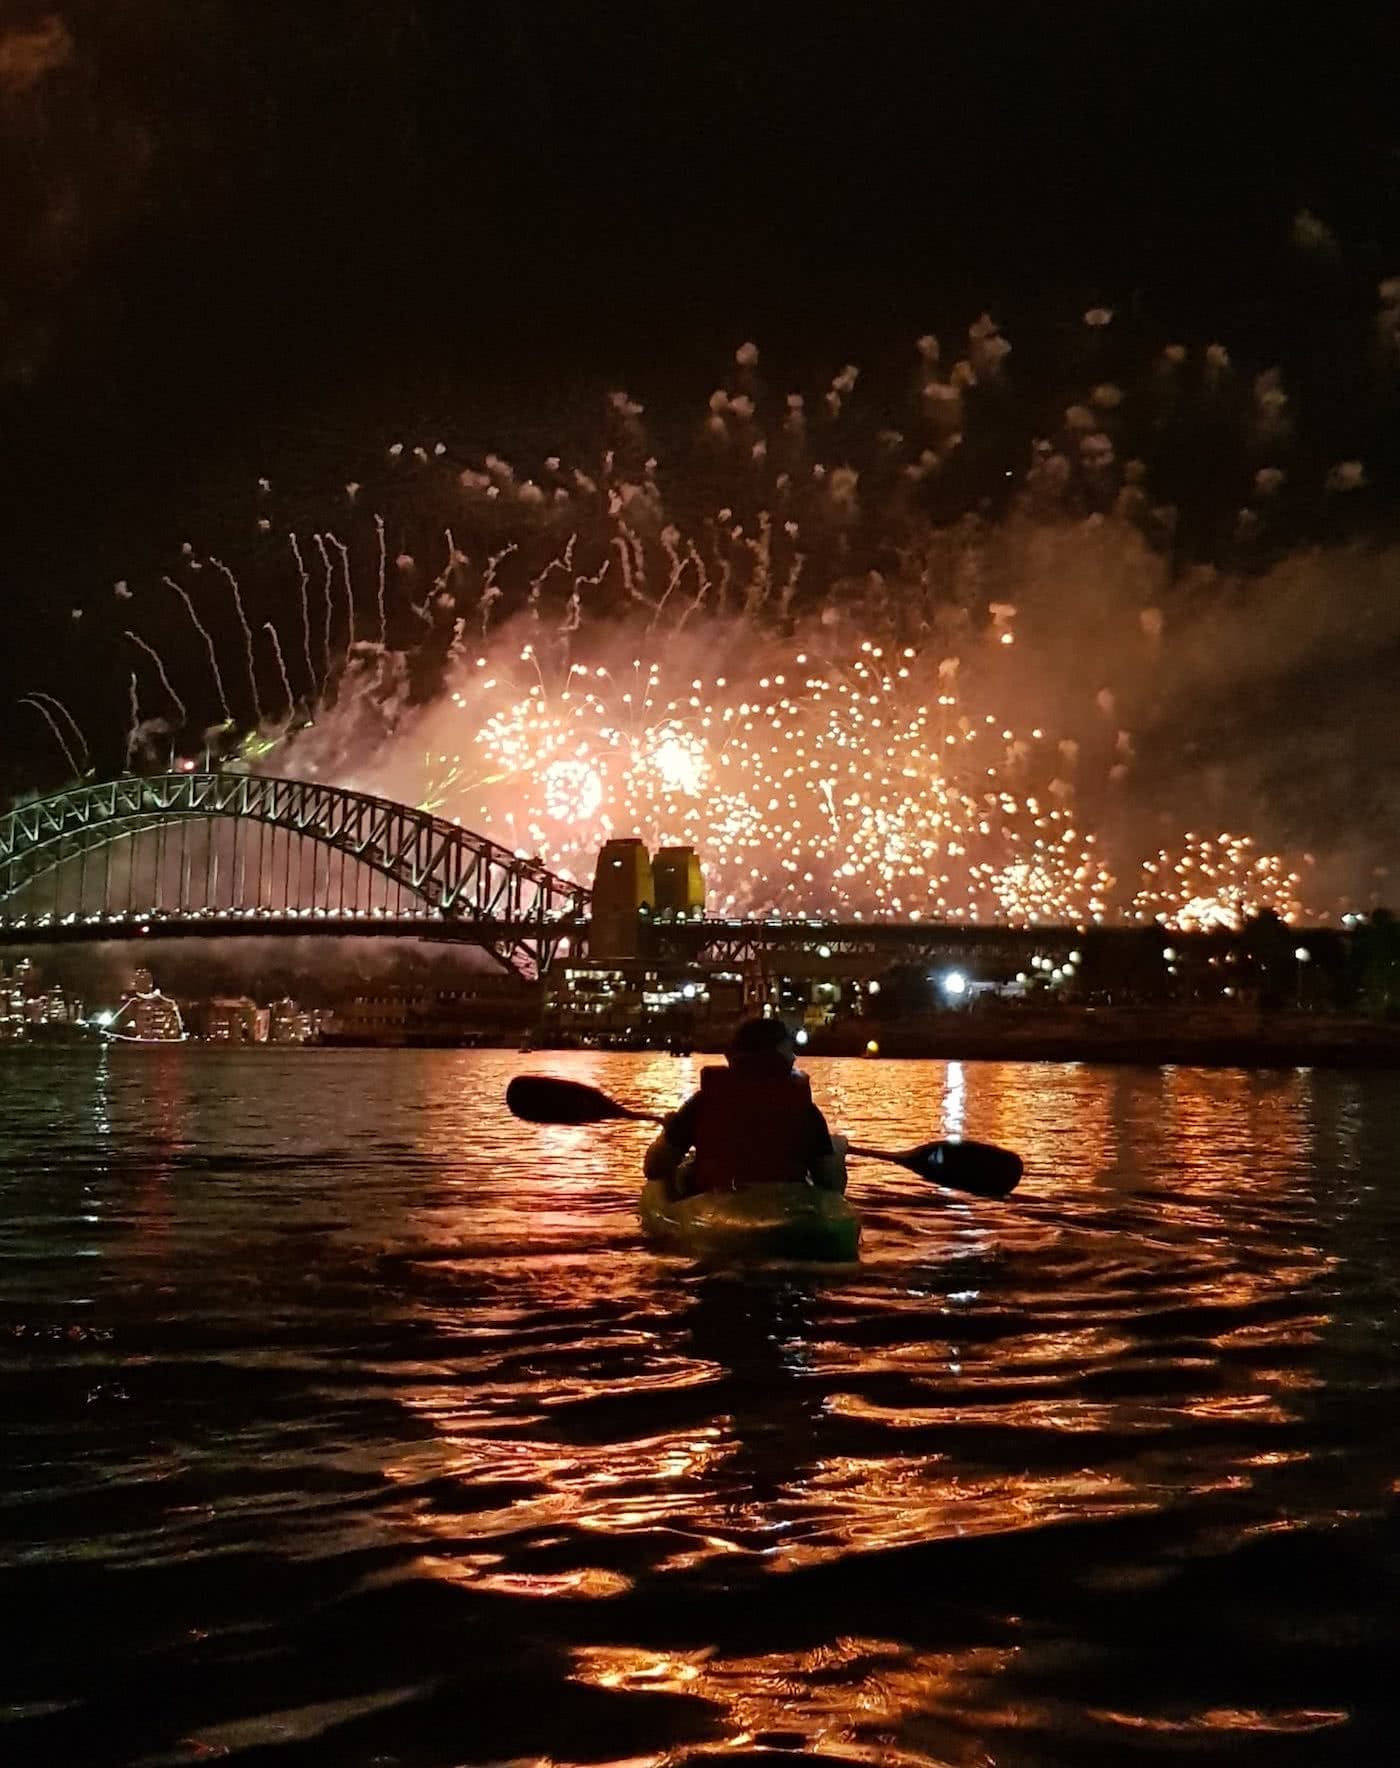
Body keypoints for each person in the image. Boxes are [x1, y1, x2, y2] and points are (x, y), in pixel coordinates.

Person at [643, 1016, 849, 1197]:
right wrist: (838, 1152)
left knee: (682, 1173)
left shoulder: (704, 1102)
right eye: (789, 1049)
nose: (794, 1057)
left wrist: (667, 1131)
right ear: (777, 1053)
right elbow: (831, 1184)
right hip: (786, 1204)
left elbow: (654, 1167)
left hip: (716, 1203)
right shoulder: (803, 1108)